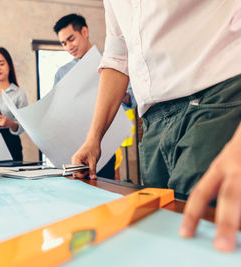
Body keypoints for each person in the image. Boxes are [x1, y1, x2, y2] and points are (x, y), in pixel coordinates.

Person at [71, 1, 241, 251]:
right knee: (164, 233)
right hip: (153, 124)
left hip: (217, 99)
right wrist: (93, 137)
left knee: (202, 234)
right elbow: (119, 56)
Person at [53, 13, 136, 179]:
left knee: (104, 187)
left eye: (71, 39)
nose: (69, 46)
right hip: (73, 142)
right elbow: (57, 110)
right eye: (64, 43)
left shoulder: (111, 62)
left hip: (105, 140)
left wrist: (117, 93)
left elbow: (132, 99)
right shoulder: (62, 73)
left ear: (84, 32)